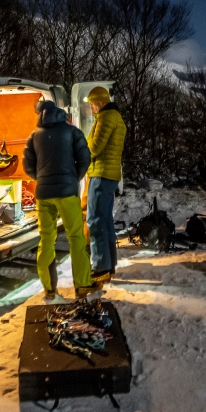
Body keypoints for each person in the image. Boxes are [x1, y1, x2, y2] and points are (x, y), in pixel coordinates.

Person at [23, 99, 97, 301]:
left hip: (44, 195)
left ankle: (49, 288)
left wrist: (42, 179)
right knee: (76, 239)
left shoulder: (34, 136)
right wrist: (74, 178)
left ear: (41, 114)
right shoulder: (71, 132)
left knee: (46, 240)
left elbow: (27, 165)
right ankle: (81, 286)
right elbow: (85, 157)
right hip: (67, 193)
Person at [84, 86, 127, 284]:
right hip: (109, 175)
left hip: (100, 174)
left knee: (95, 220)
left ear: (100, 102)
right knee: (105, 220)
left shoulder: (106, 118)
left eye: (92, 104)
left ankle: (100, 267)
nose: (91, 108)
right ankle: (109, 266)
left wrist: (82, 146)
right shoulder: (115, 117)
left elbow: (94, 148)